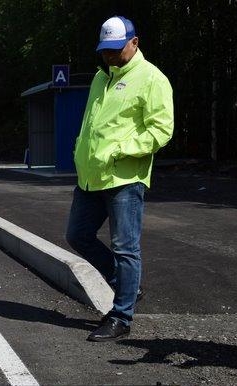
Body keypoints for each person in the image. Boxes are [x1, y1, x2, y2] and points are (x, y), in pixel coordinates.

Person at [67, 16, 174, 342]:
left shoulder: (152, 79)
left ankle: (121, 316)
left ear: (134, 42)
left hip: (124, 179)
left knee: (126, 249)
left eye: (116, 50)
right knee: (77, 235)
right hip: (90, 178)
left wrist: (120, 150)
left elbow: (161, 130)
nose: (110, 56)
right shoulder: (102, 78)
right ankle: (127, 286)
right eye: (105, 51)